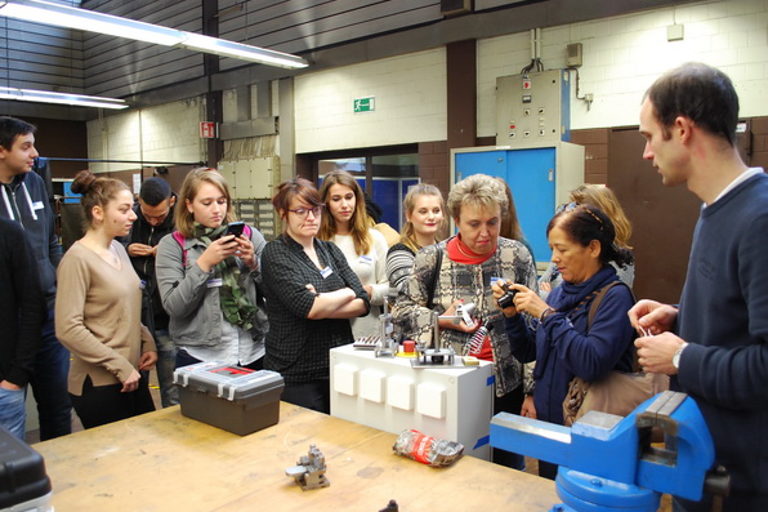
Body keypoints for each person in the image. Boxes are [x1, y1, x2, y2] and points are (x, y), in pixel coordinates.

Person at [629, 62, 768, 511]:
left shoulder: (759, 219)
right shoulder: (715, 209)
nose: (648, 153)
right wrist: (681, 314)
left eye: (651, 137)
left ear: (683, 129)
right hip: (705, 467)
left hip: (742, 485)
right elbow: (738, 321)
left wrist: (679, 356)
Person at [393, 174, 537, 468]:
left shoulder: (516, 255)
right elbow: (401, 312)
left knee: (509, 470)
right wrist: (440, 320)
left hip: (506, 385)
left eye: (492, 222)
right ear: (456, 219)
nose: (485, 233)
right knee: (456, 465)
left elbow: (535, 327)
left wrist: (531, 391)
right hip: (451, 385)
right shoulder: (431, 259)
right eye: (474, 224)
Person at [495, 204, 636, 479]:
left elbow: (590, 363)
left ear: (593, 248)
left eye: (562, 249)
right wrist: (512, 317)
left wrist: (546, 314)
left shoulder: (615, 298)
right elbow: (529, 351)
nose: (555, 258)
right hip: (553, 431)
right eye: (552, 249)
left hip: (591, 433)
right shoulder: (562, 293)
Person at [55, 171, 158, 428]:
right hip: (101, 384)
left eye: (131, 209)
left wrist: (147, 341)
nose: (133, 216)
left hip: (133, 374)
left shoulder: (119, 249)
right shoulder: (77, 260)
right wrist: (119, 366)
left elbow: (122, 307)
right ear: (98, 212)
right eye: (124, 210)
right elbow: (68, 329)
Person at [261, 178, 369, 413]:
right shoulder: (275, 253)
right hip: (296, 372)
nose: (310, 217)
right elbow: (308, 308)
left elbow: (363, 302)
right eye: (300, 211)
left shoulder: (329, 250)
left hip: (338, 365)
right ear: (283, 213)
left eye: (314, 210)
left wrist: (325, 299)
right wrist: (344, 293)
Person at [0, 116, 71, 440]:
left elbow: (51, 242)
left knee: (57, 407)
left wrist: (58, 283)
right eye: (26, 146)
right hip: (9, 322)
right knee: (10, 407)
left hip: (47, 315)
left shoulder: (35, 183)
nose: (35, 153)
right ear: (2, 150)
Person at [155, 168, 268, 371]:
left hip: (253, 352)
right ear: (189, 205)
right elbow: (174, 307)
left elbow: (277, 291)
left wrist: (253, 263)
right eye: (207, 203)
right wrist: (204, 264)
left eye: (221, 201)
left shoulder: (249, 236)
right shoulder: (172, 245)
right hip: (200, 356)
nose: (216, 210)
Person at [120, 177, 178, 407]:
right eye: (147, 214)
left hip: (166, 317)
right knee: (133, 386)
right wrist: (126, 249)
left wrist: (168, 252)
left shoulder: (183, 222)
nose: (153, 219)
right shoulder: (130, 219)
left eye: (160, 215)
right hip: (134, 317)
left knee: (172, 388)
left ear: (172, 202)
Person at [318, 171, 389, 339]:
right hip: (324, 333)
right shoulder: (316, 241)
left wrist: (368, 291)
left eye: (349, 197)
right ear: (326, 203)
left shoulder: (374, 238)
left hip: (367, 334)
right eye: (336, 199)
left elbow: (391, 287)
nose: (344, 205)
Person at [540, 184, 635, 296]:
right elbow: (542, 283)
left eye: (575, 209)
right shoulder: (564, 253)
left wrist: (549, 299)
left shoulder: (619, 260)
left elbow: (591, 304)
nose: (569, 214)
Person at [0, 218, 45, 440]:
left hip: (4, 386)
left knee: (10, 469)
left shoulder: (9, 234)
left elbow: (32, 305)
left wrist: (16, 376)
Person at [385, 183, 446, 292]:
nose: (431, 217)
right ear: (408, 215)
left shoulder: (446, 250)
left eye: (436, 211)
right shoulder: (398, 253)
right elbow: (410, 292)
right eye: (423, 212)